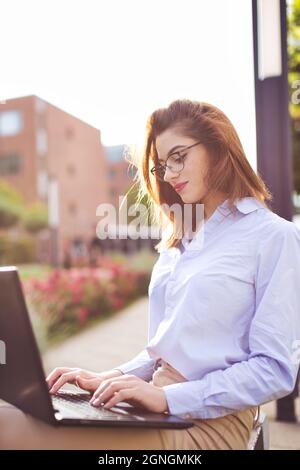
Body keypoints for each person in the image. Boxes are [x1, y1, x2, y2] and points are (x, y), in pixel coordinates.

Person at [1, 99, 300, 450]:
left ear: (219, 148)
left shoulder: (272, 237)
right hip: (163, 409)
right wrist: (111, 377)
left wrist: (170, 399)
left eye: (179, 156)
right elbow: (165, 351)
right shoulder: (180, 241)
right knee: (11, 411)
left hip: (212, 423)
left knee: (7, 430)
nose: (170, 174)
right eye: (161, 165)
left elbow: (275, 370)